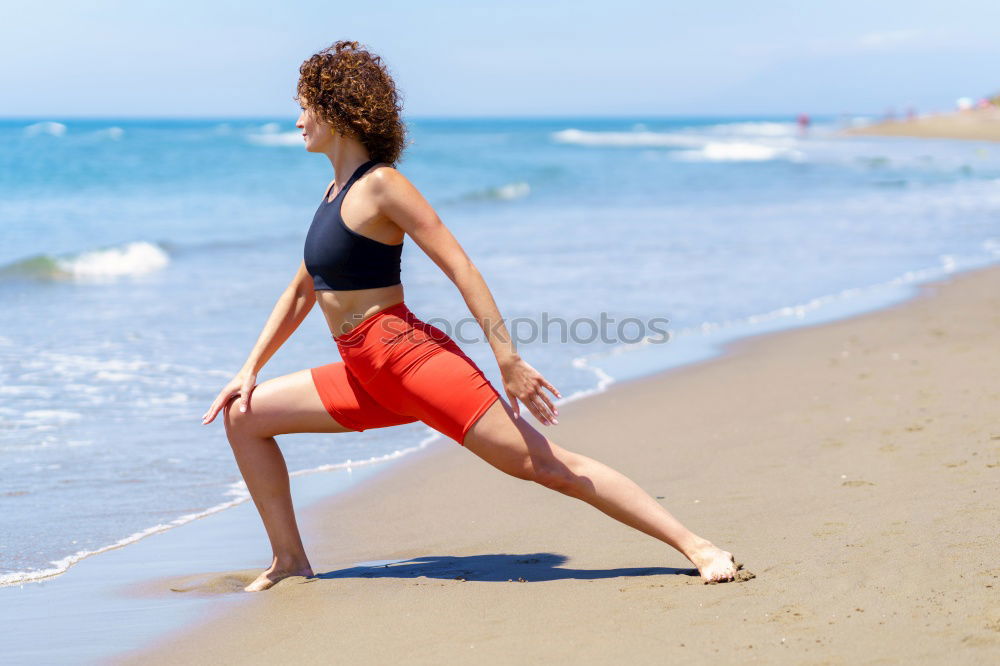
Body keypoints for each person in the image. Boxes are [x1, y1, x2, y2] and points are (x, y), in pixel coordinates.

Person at [200, 40, 739, 592]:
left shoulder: (383, 186)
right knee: (244, 416)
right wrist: (249, 369)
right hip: (365, 374)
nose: (297, 121)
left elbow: (461, 267)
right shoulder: (332, 191)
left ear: (337, 109)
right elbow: (299, 291)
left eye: (305, 106)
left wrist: (507, 358)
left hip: (411, 363)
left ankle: (697, 546)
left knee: (547, 467)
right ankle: (290, 560)